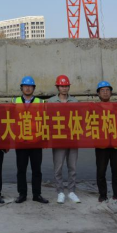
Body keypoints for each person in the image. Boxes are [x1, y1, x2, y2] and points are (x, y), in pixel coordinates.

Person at [12, 76, 48, 204]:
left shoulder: (41, 102)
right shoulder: (14, 101)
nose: (27, 88)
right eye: (25, 86)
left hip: (36, 141)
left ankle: (36, 194)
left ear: (34, 88)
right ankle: (22, 194)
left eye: (30, 86)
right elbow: (11, 120)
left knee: (36, 170)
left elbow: (45, 120)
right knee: (21, 170)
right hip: (21, 141)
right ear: (21, 88)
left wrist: (44, 139)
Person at [48, 75, 81, 204]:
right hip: (58, 138)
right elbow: (48, 119)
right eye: (62, 86)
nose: (64, 88)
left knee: (72, 166)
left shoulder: (75, 101)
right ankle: (60, 192)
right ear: (58, 87)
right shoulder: (51, 101)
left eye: (66, 86)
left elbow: (80, 119)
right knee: (58, 167)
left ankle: (71, 191)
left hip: (72, 138)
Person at [95, 81, 117, 203]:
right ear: (98, 93)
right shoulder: (94, 108)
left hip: (116, 144)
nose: (105, 92)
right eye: (102, 90)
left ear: (111, 92)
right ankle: (102, 194)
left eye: (107, 90)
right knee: (101, 171)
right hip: (101, 145)